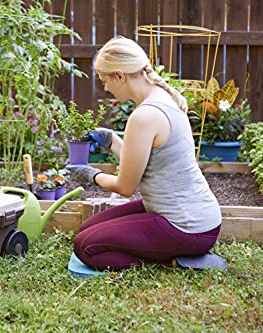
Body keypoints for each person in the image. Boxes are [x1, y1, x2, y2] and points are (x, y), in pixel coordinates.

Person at [66, 36, 222, 271]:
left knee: (85, 246)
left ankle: (172, 261)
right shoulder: (161, 98)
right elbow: (142, 160)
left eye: (105, 81)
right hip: (196, 219)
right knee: (88, 228)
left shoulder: (144, 115)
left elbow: (125, 187)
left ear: (120, 75)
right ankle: (171, 251)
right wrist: (110, 140)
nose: (106, 88)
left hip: (187, 227)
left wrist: (90, 174)